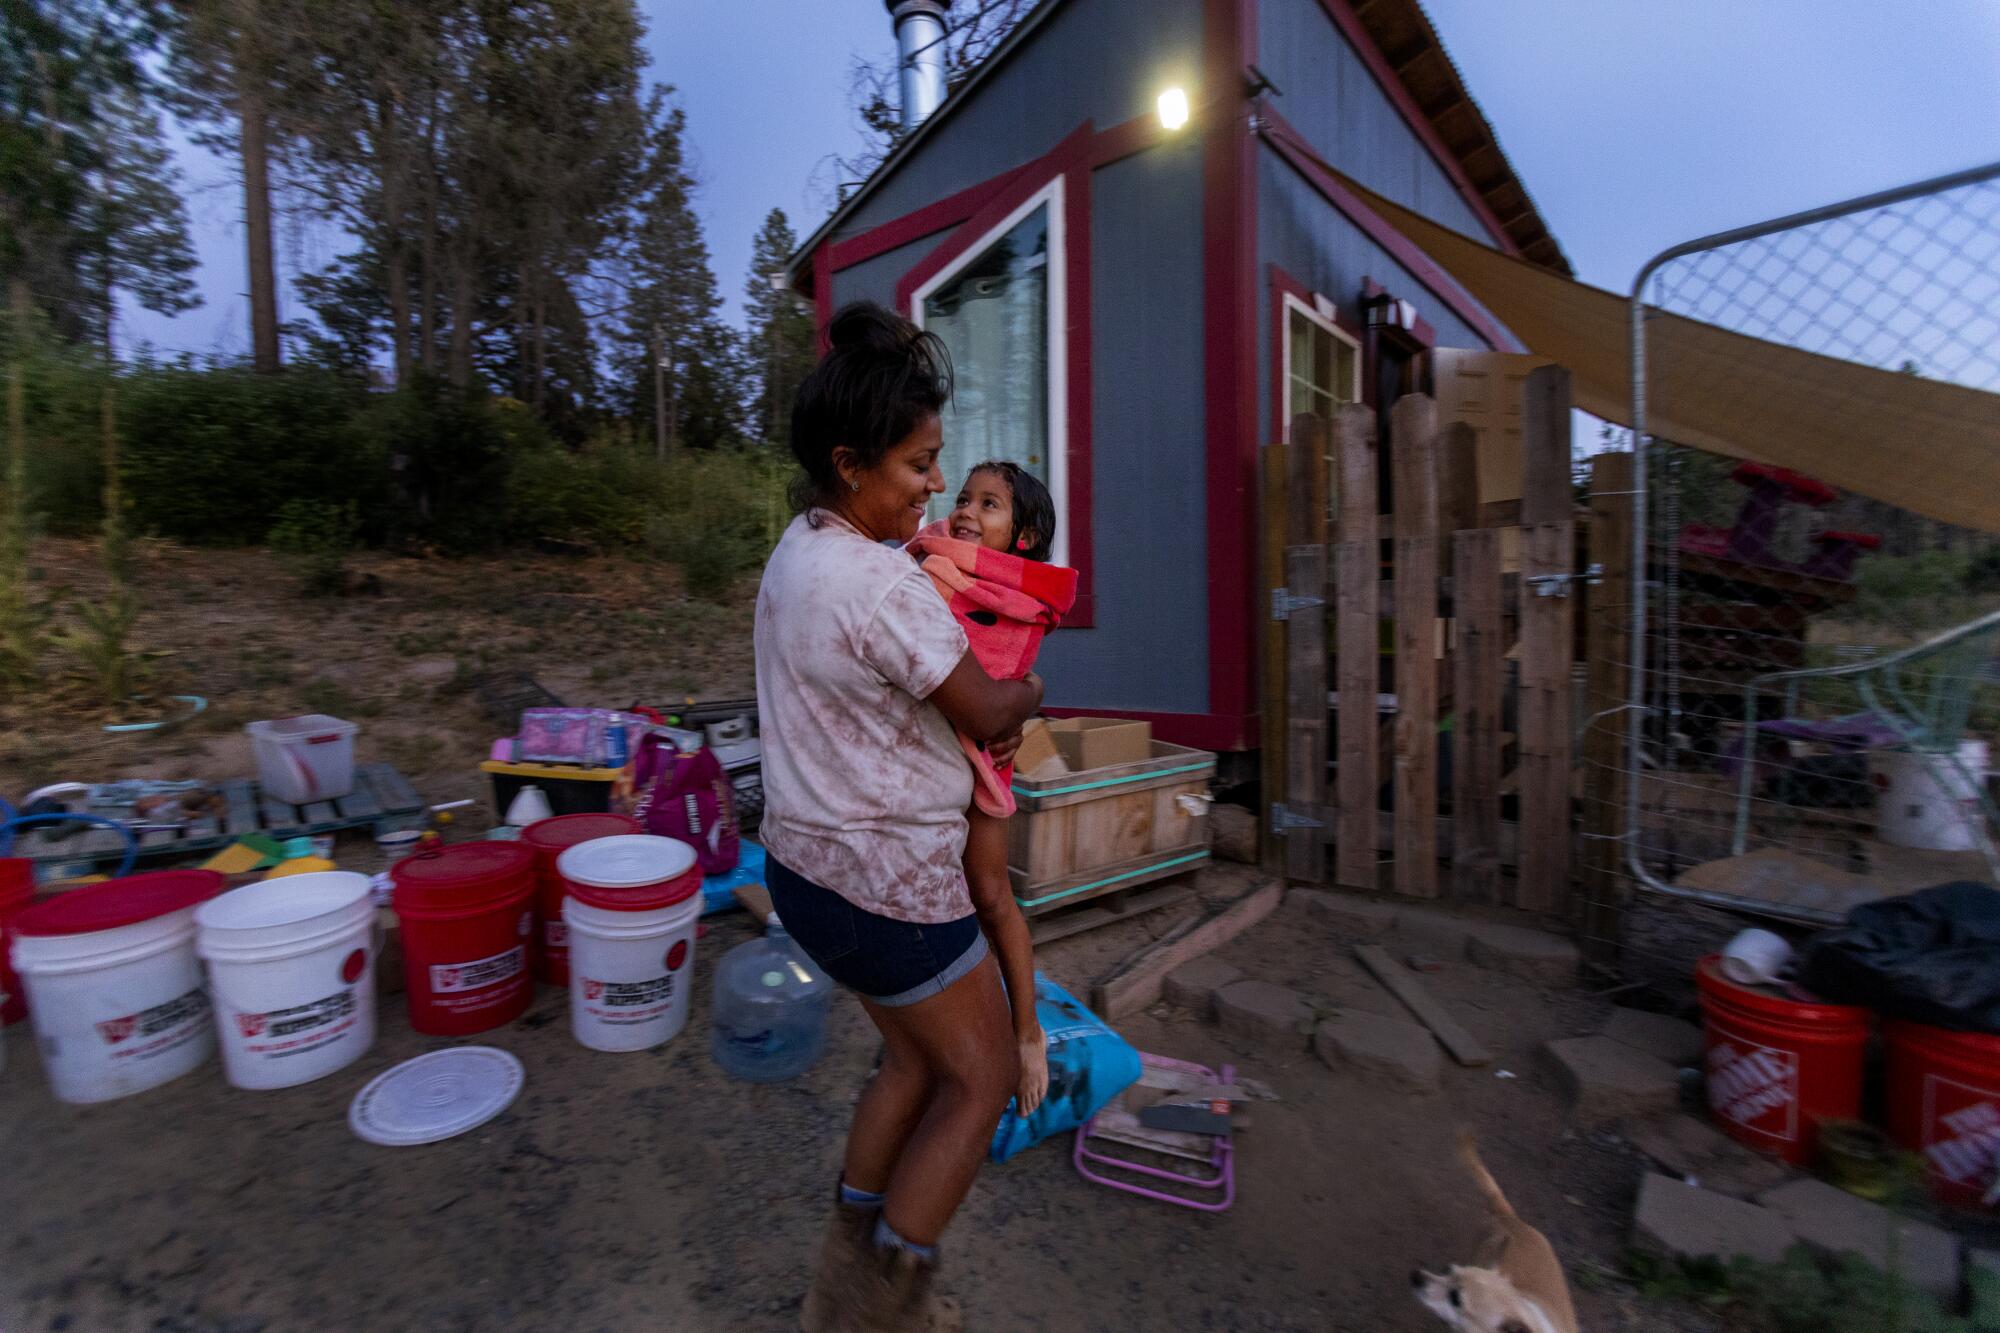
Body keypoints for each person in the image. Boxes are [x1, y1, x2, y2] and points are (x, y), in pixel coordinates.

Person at [756, 301, 1043, 1332]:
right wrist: (1029, 692)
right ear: (849, 462)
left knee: (911, 1059)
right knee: (978, 1077)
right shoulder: (881, 586)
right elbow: (982, 705)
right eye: (920, 465)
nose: (933, 488)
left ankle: (840, 1280)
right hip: (889, 891)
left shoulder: (797, 551)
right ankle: (877, 1310)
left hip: (803, 870)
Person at [907, 462, 1078, 1124]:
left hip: (982, 763)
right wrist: (1022, 701)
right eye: (964, 499)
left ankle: (1026, 1030)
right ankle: (923, 1043)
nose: (967, 510)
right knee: (925, 905)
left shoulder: (1026, 602)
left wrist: (1023, 704)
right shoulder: (925, 575)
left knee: (989, 894)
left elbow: (1008, 677)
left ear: (1025, 537)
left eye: (990, 504)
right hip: (919, 770)